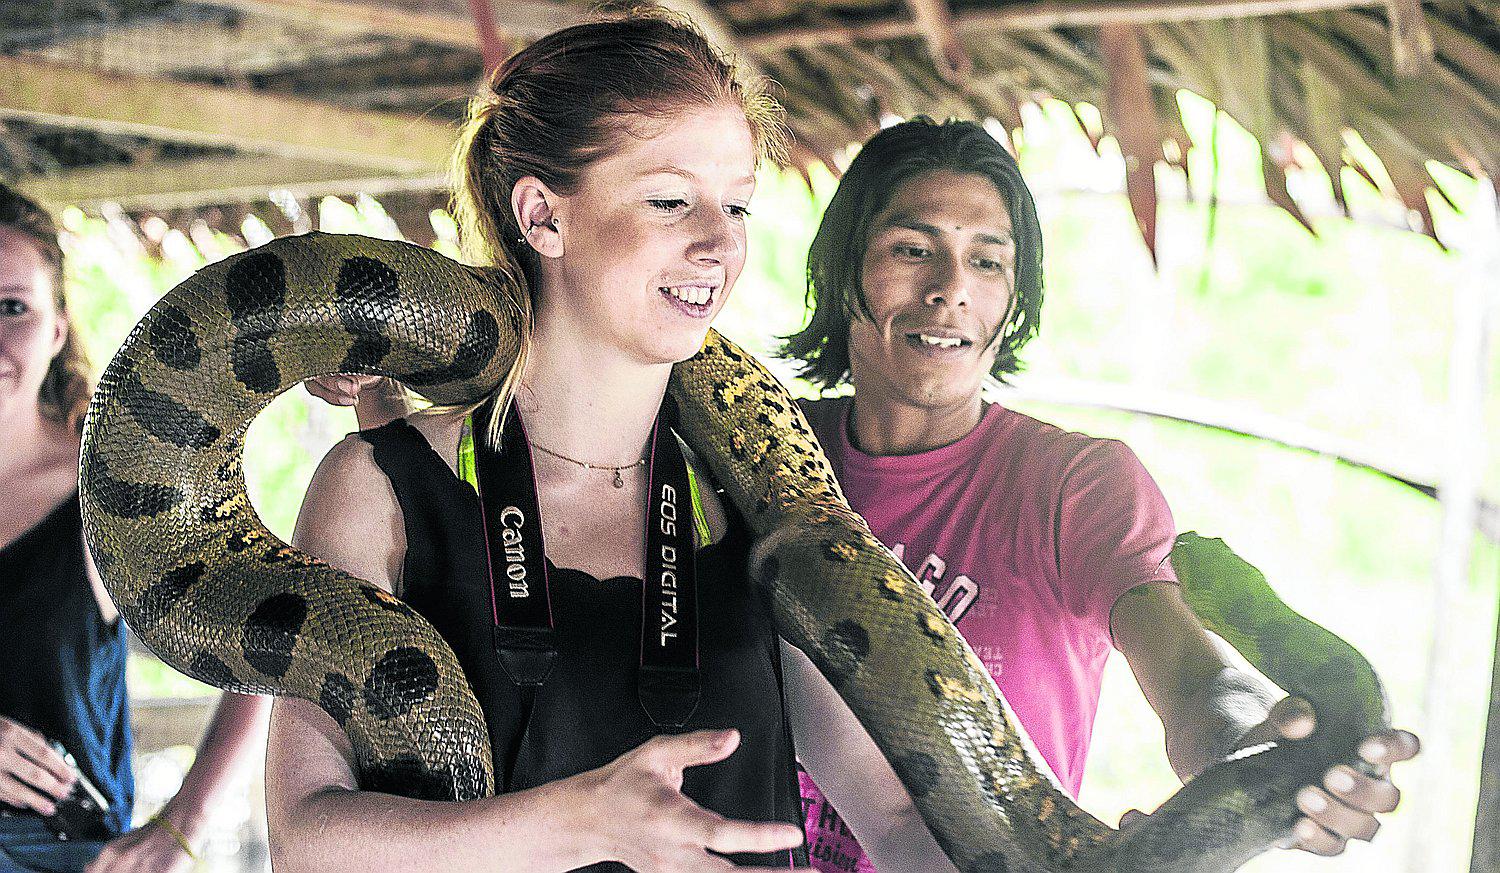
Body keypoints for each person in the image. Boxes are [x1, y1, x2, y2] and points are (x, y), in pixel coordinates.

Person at [268, 14, 960, 873]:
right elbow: (305, 839)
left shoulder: (760, 499)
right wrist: (583, 823)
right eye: (670, 199)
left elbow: (897, 819)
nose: (719, 241)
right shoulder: (383, 486)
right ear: (542, 217)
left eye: (737, 203)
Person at [780, 117, 1420, 872]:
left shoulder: (1072, 487)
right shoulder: (754, 456)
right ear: (843, 264)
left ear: (1015, 297)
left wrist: (1256, 743)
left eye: (988, 261)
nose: (950, 289)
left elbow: (1194, 679)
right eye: (913, 249)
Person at [0, 185, 271, 873]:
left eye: (13, 308)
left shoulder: (113, 488)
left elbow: (272, 634)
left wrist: (185, 824)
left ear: (56, 328)